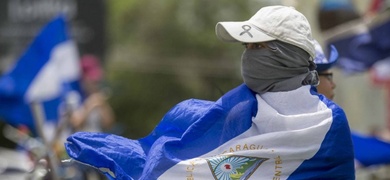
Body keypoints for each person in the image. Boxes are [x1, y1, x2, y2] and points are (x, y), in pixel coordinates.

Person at [63, 6, 355, 179]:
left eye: (258, 46)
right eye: (247, 48)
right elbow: (185, 161)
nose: (248, 56)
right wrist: (131, 159)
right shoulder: (238, 109)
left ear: (288, 55)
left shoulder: (327, 123)